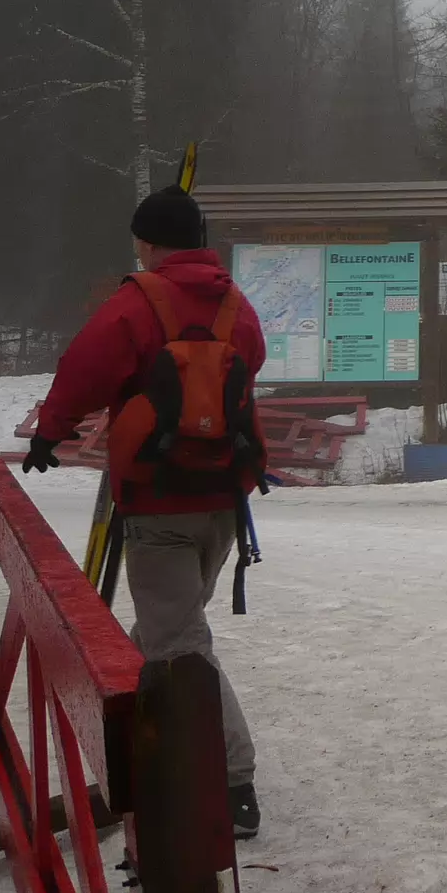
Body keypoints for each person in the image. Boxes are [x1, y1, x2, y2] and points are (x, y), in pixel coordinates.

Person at [27, 183, 267, 840]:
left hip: (159, 503)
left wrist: (52, 432)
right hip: (224, 503)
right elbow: (249, 368)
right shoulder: (236, 305)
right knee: (172, 629)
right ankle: (138, 739)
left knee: (178, 642)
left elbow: (84, 369)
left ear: (147, 242)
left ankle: (233, 781)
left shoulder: (138, 302)